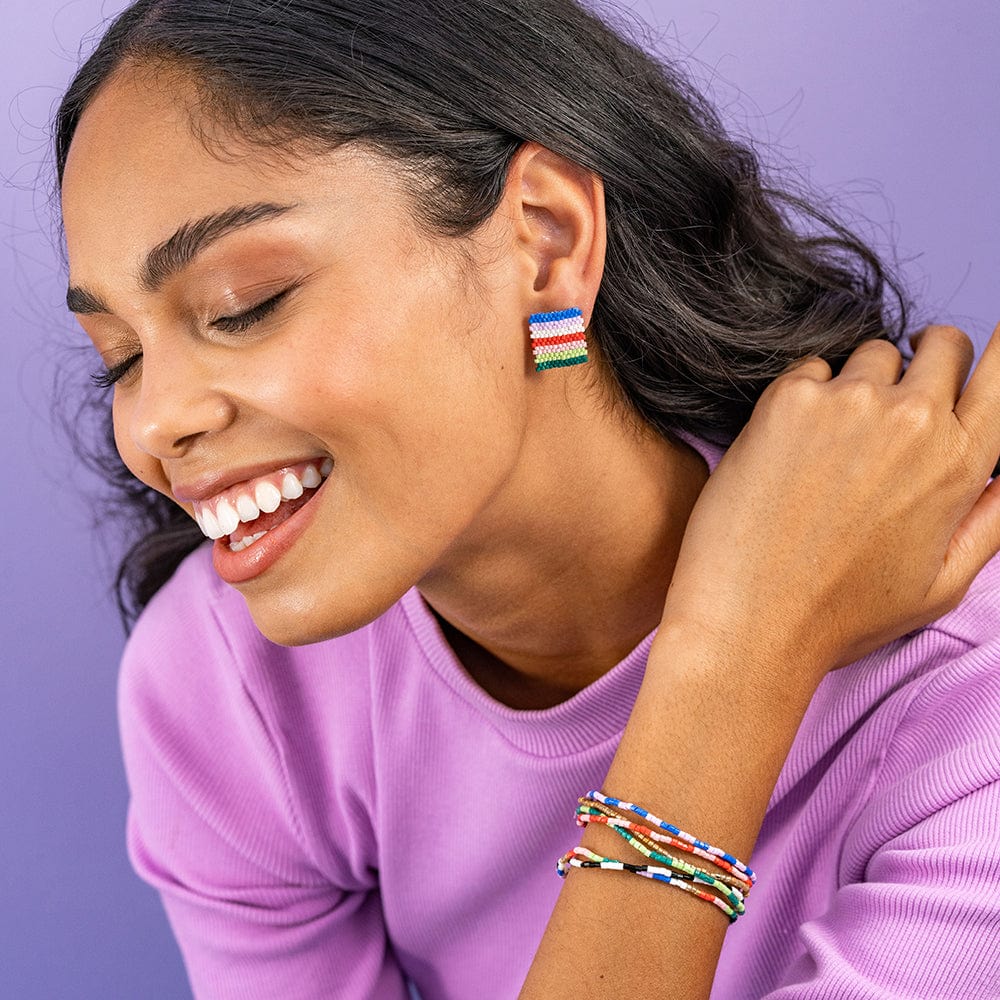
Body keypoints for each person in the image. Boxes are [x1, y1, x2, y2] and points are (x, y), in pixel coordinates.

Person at [55, 1, 1000, 997]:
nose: (153, 423)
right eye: (119, 358)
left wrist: (738, 655)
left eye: (243, 305)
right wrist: (733, 658)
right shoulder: (229, 688)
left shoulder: (967, 703)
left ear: (546, 244)